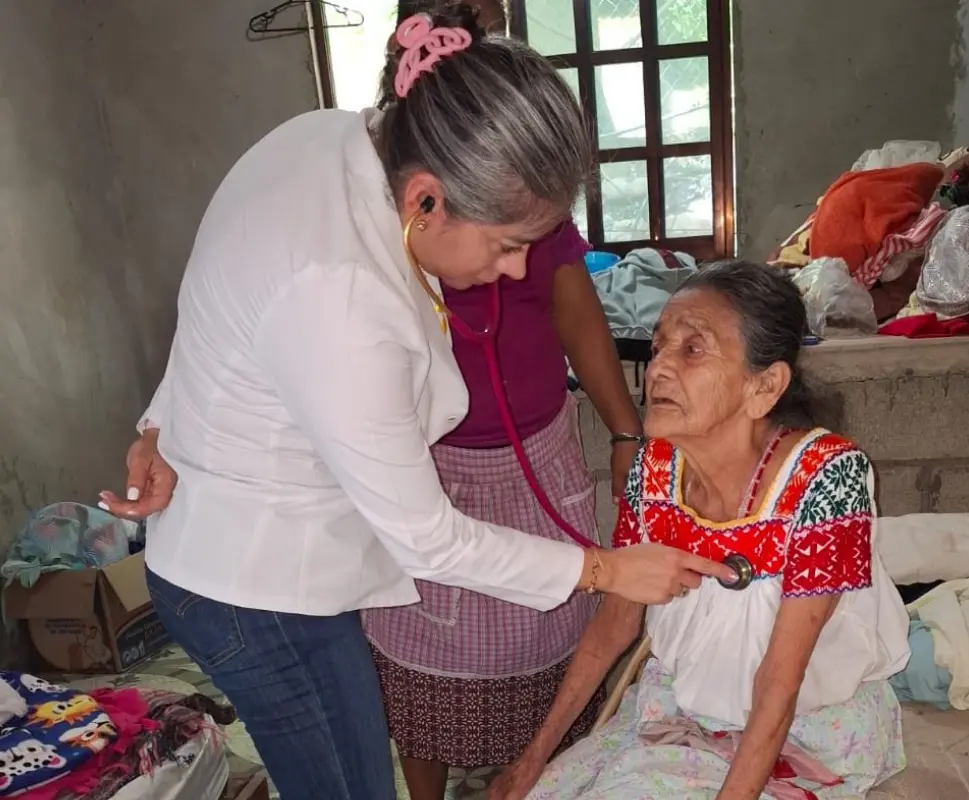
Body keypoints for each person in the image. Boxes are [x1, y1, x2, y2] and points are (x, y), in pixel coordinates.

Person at [98, 4, 733, 798]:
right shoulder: (344, 296)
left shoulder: (331, 138)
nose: (512, 273)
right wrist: (608, 569)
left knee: (367, 773)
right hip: (243, 582)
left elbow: (225, 302)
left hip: (292, 551)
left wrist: (160, 421)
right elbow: (431, 541)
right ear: (426, 199)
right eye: (506, 246)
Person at [488, 261, 913, 800]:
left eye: (693, 350)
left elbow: (780, 681)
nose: (659, 369)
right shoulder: (656, 470)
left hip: (804, 729)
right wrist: (528, 765)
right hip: (684, 710)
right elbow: (614, 626)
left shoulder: (824, 478)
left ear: (764, 386)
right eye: (660, 346)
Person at [364, 2, 642, 796]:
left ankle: (537, 778)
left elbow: (575, 307)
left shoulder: (524, 186)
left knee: (548, 638)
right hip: (431, 466)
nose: (512, 269)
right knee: (425, 653)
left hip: (534, 455)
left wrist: (626, 431)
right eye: (502, 248)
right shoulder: (381, 219)